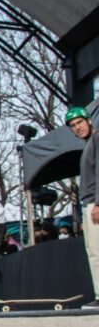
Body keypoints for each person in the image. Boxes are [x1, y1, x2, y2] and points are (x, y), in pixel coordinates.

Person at [67, 105, 99, 308]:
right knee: (93, 252)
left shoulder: (97, 139)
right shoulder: (88, 145)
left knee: (97, 252)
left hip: (95, 203)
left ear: (89, 120)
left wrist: (98, 203)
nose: (77, 127)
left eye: (79, 122)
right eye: (73, 126)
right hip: (88, 203)